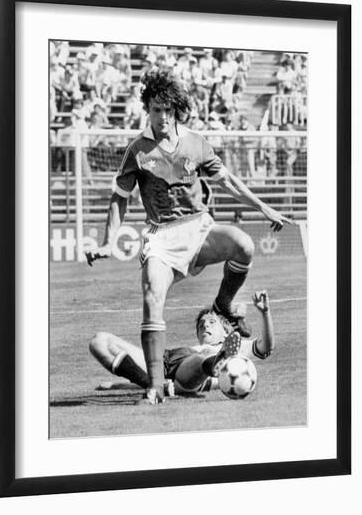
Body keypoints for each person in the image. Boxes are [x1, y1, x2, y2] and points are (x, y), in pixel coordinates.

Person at [86, 70, 290, 404]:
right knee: (152, 297)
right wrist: (110, 241)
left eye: (167, 109)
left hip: (199, 228)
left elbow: (228, 182)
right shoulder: (137, 150)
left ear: (177, 110)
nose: (161, 116)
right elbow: (119, 198)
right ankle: (154, 386)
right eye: (155, 109)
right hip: (161, 236)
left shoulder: (195, 143)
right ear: (147, 110)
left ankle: (223, 303)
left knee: (243, 244)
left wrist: (264, 208)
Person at [89, 291, 274, 396]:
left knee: (201, 359)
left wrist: (265, 313)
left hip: (192, 368)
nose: (204, 325)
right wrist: (116, 385)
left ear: (226, 330)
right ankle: (153, 385)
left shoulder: (237, 347)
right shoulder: (195, 346)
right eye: (201, 324)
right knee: (99, 341)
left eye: (211, 322)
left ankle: (213, 362)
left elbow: (266, 348)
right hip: (167, 358)